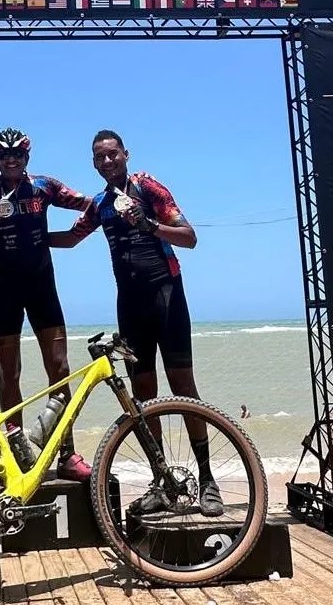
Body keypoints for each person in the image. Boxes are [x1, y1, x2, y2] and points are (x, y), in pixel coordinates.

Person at [49, 129, 223, 516]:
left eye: (112, 154)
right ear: (94, 164)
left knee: (183, 390)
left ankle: (208, 479)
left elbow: (190, 238)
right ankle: (162, 482)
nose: (107, 162)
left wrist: (147, 225)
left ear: (125, 154)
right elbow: (73, 238)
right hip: (130, 306)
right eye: (99, 158)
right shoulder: (100, 203)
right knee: (141, 399)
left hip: (167, 297)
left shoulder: (148, 187)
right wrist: (29, 237)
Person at [0, 127, 92, 482]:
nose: (12, 160)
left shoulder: (44, 187)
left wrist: (73, 236)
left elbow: (90, 205)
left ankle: (65, 452)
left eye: (18, 155)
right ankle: (15, 457)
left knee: (60, 369)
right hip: (3, 290)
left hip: (42, 287)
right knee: (10, 374)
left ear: (27, 157)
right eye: (5, 155)